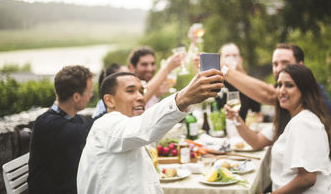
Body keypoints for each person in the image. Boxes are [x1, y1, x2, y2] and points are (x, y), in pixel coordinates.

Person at [77, 69, 224, 193]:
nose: (141, 97)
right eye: (130, 91)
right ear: (109, 101)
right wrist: (183, 98)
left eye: (142, 91)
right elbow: (143, 129)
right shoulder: (105, 124)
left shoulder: (126, 125)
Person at [223, 43, 331, 188]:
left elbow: (307, 178)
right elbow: (257, 141)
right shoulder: (291, 115)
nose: (281, 91)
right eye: (279, 85)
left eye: (289, 85)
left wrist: (223, 70)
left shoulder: (304, 122)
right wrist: (236, 118)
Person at [28, 65, 96, 194]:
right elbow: (84, 133)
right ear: (76, 97)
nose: (91, 96)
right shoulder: (47, 123)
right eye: (89, 92)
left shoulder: (74, 119)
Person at [217, 43, 261, 121]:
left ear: (240, 59)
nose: (231, 58)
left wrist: (241, 73)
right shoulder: (217, 82)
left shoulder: (248, 81)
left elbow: (257, 112)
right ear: (220, 60)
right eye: (227, 56)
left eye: (234, 55)